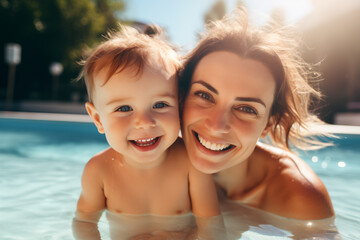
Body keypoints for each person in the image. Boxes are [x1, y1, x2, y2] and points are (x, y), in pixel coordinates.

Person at [177, 9, 335, 221]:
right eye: (204, 95)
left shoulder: (300, 198)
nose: (216, 125)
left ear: (269, 124)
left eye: (246, 109)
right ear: (180, 97)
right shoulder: (146, 162)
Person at [72, 25, 222, 239]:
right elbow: (84, 222)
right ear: (98, 119)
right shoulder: (98, 172)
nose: (144, 122)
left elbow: (211, 225)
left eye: (160, 105)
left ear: (179, 105)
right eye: (124, 109)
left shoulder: (191, 163)